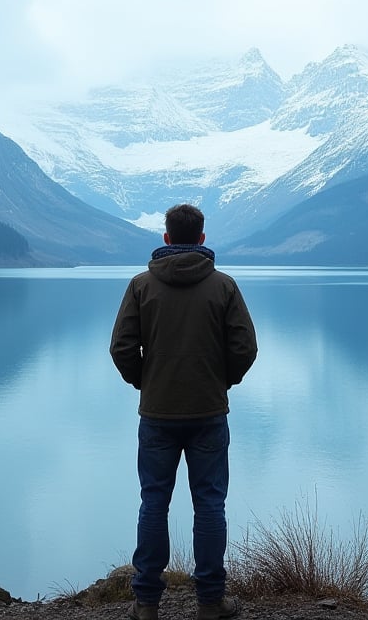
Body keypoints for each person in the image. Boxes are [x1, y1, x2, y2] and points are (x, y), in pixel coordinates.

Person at [110, 203, 258, 620]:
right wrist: (221, 380)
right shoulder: (224, 286)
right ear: (203, 239)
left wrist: (146, 381)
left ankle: (146, 603)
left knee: (153, 502)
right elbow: (245, 348)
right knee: (210, 504)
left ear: (167, 238)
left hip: (157, 413)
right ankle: (211, 602)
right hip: (209, 412)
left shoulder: (141, 285)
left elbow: (121, 348)